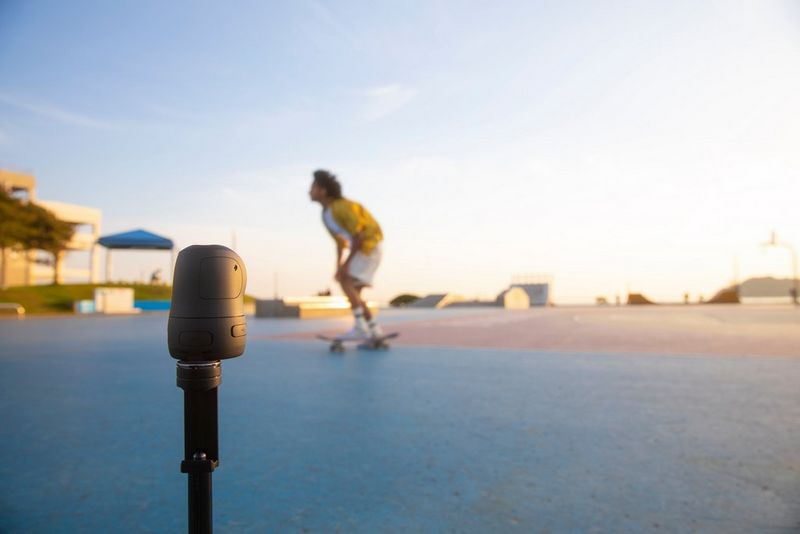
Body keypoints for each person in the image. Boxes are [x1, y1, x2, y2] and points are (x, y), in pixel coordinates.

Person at [309, 169, 384, 340]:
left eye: (313, 187)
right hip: (362, 249)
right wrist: (338, 266)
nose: (309, 191)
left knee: (346, 282)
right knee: (354, 293)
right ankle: (374, 330)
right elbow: (340, 243)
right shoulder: (325, 214)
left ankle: (360, 327)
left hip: (369, 246)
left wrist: (345, 266)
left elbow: (358, 237)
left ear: (323, 190)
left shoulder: (342, 207)